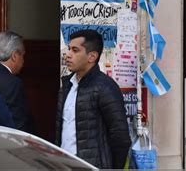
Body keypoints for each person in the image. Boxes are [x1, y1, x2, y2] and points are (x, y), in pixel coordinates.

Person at [55, 29, 130, 169]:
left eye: (75, 50)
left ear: (92, 56)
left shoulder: (105, 87)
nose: (68, 55)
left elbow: (120, 137)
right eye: (69, 49)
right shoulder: (67, 85)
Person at [0, 31, 35, 134]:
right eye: (23, 55)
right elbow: (18, 124)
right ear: (14, 55)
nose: (23, 60)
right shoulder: (13, 83)